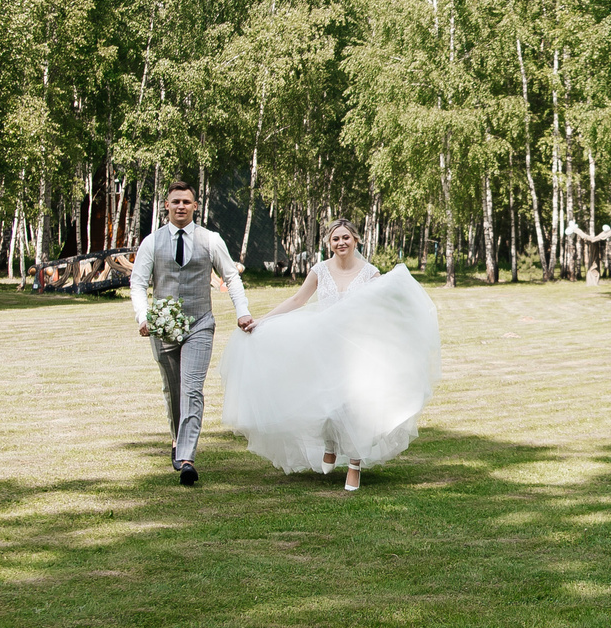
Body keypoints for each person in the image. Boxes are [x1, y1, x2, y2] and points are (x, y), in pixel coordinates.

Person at [219, 221, 441, 492]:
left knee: (357, 407)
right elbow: (297, 301)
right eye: (335, 238)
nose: (341, 242)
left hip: (359, 348)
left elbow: (384, 308)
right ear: (329, 243)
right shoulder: (319, 270)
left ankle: (354, 466)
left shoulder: (371, 274)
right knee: (324, 403)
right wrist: (262, 321)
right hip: (323, 347)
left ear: (356, 240)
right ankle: (330, 444)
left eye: (346, 237)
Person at [130, 181, 251, 487]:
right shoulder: (151, 242)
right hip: (162, 327)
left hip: (200, 324)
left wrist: (242, 312)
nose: (181, 206)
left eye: (186, 202)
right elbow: (138, 282)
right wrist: (143, 316)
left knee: (192, 389)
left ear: (195, 206)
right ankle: (176, 438)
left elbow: (231, 278)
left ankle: (187, 458)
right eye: (175, 202)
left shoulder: (210, 240)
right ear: (167, 206)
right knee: (173, 389)